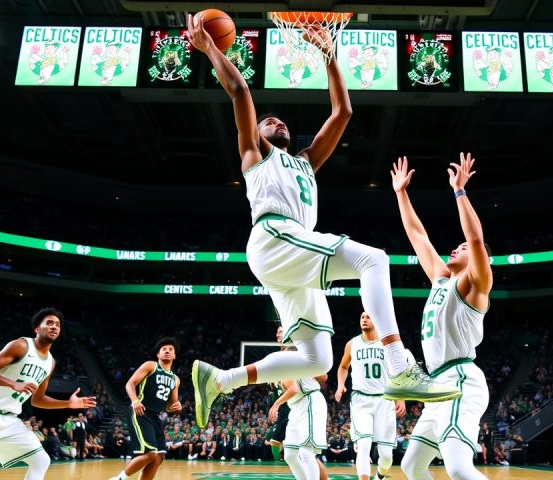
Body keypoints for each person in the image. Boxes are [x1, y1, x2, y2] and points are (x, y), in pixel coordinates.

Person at [186, 11, 460, 428]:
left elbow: (343, 111)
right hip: (276, 236)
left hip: (287, 254)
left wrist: (329, 56)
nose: (276, 121)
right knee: (374, 259)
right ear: (257, 133)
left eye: (281, 121)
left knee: (319, 360)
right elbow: (240, 91)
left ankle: (221, 380)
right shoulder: (255, 154)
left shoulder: (306, 162)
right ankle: (399, 364)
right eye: (268, 121)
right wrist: (209, 48)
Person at [392, 154, 493, 480]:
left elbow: (476, 240)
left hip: (460, 380)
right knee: (411, 465)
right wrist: (401, 193)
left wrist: (459, 191)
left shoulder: (476, 286)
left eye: (461, 249)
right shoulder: (441, 279)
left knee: (459, 469)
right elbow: (418, 236)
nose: (455, 248)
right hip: (438, 386)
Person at [0, 307, 96, 479]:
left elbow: (38, 400)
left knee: (41, 461)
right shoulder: (21, 346)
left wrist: (67, 404)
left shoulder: (50, 362)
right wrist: (12, 384)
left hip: (9, 420)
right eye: (49, 323)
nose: (54, 327)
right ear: (37, 328)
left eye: (57, 324)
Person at [335, 312, 405, 480]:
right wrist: (340, 384)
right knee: (364, 445)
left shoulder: (387, 342)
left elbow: (399, 370)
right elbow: (343, 367)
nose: (364, 319)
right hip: (361, 399)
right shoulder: (352, 344)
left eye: (368, 317)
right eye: (362, 317)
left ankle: (380, 476)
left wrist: (400, 397)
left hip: (385, 399)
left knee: (386, 456)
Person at [108, 338, 181, 480]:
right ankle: (120, 478)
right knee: (150, 454)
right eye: (164, 349)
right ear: (158, 355)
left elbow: (171, 406)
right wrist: (135, 400)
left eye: (170, 349)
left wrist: (178, 406)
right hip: (140, 411)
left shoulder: (175, 379)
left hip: (155, 416)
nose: (167, 351)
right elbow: (130, 384)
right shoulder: (151, 366)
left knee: (159, 456)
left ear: (174, 356)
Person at [269, 374, 329, 480]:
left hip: (309, 400)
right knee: (290, 455)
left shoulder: (286, 366)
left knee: (306, 452)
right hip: (295, 407)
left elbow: (294, 388)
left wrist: (276, 404)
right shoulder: (273, 377)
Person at [268, 325, 291, 462]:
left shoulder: (292, 352)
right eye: (277, 332)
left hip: (293, 405)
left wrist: (276, 405)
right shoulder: (279, 355)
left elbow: (293, 388)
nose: (277, 334)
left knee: (279, 442)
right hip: (284, 406)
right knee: (276, 442)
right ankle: (280, 464)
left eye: (281, 332)